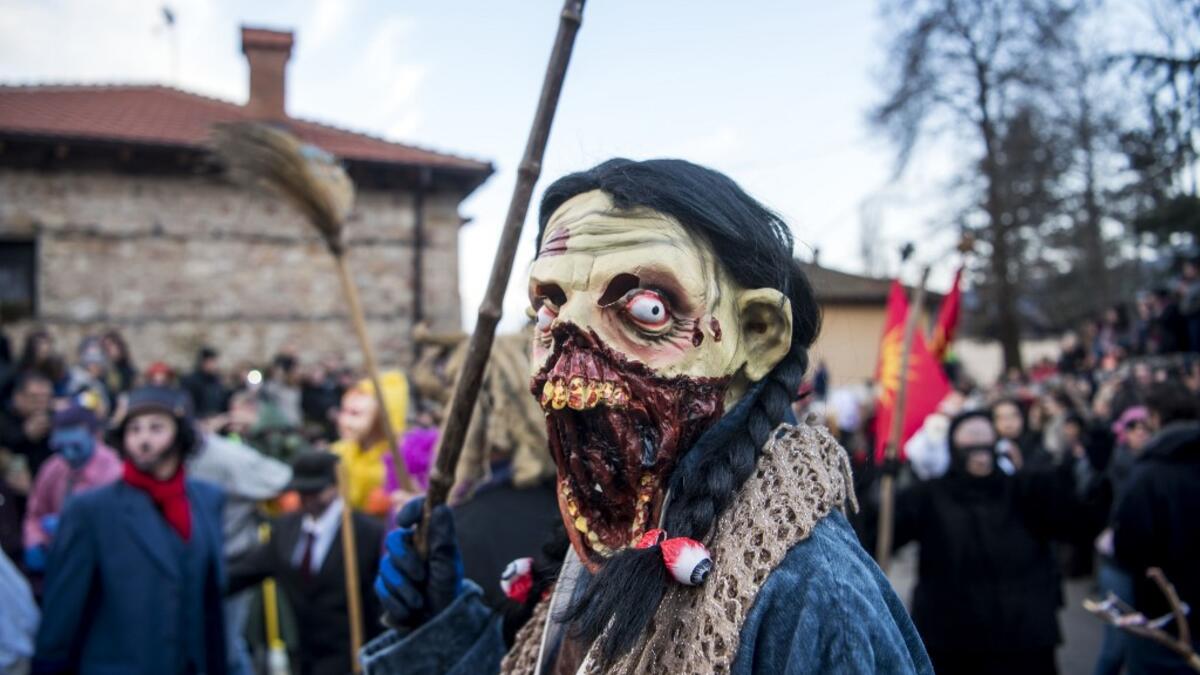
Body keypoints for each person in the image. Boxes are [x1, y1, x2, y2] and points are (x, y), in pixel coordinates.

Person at [363, 159, 932, 673]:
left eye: (647, 308)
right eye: (549, 305)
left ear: (757, 334)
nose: (566, 337)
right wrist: (441, 636)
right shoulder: (591, 554)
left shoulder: (810, 598)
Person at [875, 409, 1107, 675]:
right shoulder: (928, 496)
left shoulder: (1026, 489)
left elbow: (1080, 524)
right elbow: (881, 535)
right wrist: (881, 489)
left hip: (1022, 639)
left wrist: (1096, 461)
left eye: (985, 446)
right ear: (954, 448)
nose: (979, 456)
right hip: (954, 638)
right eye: (970, 447)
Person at [33, 386, 227, 675]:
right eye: (134, 430)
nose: (143, 439)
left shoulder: (207, 499)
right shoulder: (92, 510)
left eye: (156, 428)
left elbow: (209, 604)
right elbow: (63, 613)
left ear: (181, 434)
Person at [227, 451, 384, 675]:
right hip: (304, 659)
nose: (306, 497)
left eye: (314, 490)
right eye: (301, 491)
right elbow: (244, 572)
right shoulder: (286, 530)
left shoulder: (366, 533)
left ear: (335, 486)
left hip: (353, 659)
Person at [188, 425, 292, 675]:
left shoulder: (230, 458)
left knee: (226, 648)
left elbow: (283, 480)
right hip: (185, 565)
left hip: (230, 561)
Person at [1111, 381, 1200, 674]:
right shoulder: (1148, 469)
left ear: (1156, 417)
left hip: (1164, 610)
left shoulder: (1148, 472)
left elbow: (1128, 543)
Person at [22, 401, 122, 575]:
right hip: (57, 560)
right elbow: (35, 514)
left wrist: (72, 527)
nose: (68, 454)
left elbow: (116, 529)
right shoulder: (54, 467)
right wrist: (35, 542)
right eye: (61, 447)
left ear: (96, 436)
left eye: (76, 447)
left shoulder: (113, 472)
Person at [330, 371, 408, 515]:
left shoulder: (402, 461)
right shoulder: (337, 453)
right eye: (344, 411)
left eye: (355, 413)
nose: (343, 421)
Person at [1, 371, 54, 477]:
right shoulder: (4, 419)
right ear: (18, 397)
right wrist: (25, 435)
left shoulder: (54, 417)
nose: (41, 404)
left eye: (46, 397)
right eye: (34, 398)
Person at [182, 346, 230, 419]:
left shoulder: (217, 381)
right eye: (210, 362)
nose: (213, 365)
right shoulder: (190, 381)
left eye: (214, 362)